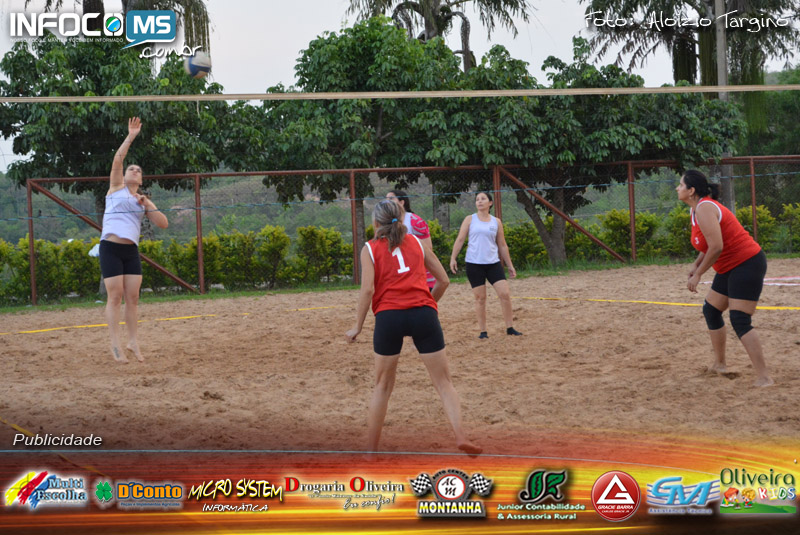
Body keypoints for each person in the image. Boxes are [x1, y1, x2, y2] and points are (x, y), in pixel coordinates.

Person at [345, 200, 481, 455]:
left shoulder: (369, 248)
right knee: (444, 383)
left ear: (375, 223)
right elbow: (443, 280)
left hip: (389, 317)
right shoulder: (417, 243)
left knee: (382, 386)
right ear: (401, 219)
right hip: (423, 314)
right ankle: (461, 436)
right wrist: (428, 307)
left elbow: (367, 290)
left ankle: (371, 452)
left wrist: (357, 326)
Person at [677, 169, 772, 386]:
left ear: (691, 191)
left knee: (740, 319)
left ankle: (764, 377)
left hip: (747, 263)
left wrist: (699, 274)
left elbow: (717, 246)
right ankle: (719, 364)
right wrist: (697, 264)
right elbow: (709, 243)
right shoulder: (696, 210)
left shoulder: (705, 208)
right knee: (711, 310)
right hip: (730, 266)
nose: (677, 188)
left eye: (681, 185)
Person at [100, 117, 168, 363]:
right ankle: (115, 345)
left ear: (141, 180)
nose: (135, 171)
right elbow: (118, 159)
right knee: (115, 296)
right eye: (132, 169)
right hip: (110, 248)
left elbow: (163, 223)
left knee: (133, 298)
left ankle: (133, 342)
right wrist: (131, 136)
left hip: (131, 252)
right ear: (124, 175)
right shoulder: (115, 189)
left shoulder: (142, 200)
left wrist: (147, 203)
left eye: (138, 171)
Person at [449, 191, 521, 338]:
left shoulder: (496, 222)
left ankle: (510, 328)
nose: (479, 201)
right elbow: (460, 239)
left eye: (483, 199)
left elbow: (502, 244)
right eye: (477, 199)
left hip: (493, 263)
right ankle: (483, 331)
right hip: (474, 264)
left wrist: (510, 265)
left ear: (490, 203)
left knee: (505, 294)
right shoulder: (470, 219)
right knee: (480, 298)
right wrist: (453, 258)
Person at [385, 190, 435, 290]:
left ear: (401, 202)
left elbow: (428, 249)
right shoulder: (385, 223)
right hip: (398, 274)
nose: (387, 202)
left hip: (419, 275)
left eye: (391, 198)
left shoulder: (415, 221)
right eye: (386, 199)